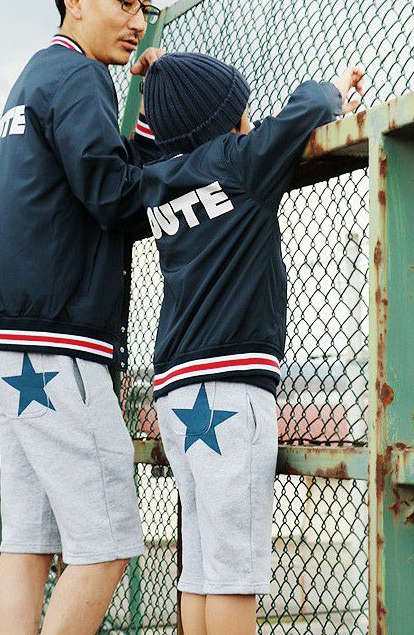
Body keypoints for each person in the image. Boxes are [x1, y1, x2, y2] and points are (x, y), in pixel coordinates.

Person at [0, 0, 163, 635]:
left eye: (146, 8)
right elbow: (113, 195)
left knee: (27, 543)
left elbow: (88, 178)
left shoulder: (34, 76)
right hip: (54, 340)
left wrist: (140, 134)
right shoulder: (81, 75)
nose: (137, 20)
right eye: (125, 2)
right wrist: (205, 162)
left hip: (3, 336)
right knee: (107, 544)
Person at [141, 52, 364, 635]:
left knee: (201, 566)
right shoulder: (241, 163)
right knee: (235, 571)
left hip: (173, 390)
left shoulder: (157, 182)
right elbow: (310, 105)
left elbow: (162, 139)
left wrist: (154, 88)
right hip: (230, 389)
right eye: (242, 110)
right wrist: (337, 87)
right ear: (227, 120)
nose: (250, 119)